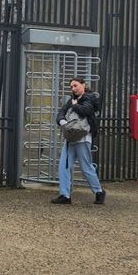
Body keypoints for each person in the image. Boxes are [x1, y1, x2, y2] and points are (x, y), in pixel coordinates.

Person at [51, 77, 106, 205]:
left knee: (85, 167)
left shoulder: (90, 98)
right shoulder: (71, 100)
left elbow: (86, 110)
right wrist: (62, 121)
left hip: (83, 138)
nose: (73, 88)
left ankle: (99, 191)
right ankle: (65, 195)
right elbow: (61, 112)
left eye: (75, 85)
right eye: (71, 87)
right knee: (64, 166)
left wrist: (75, 106)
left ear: (83, 85)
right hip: (70, 138)